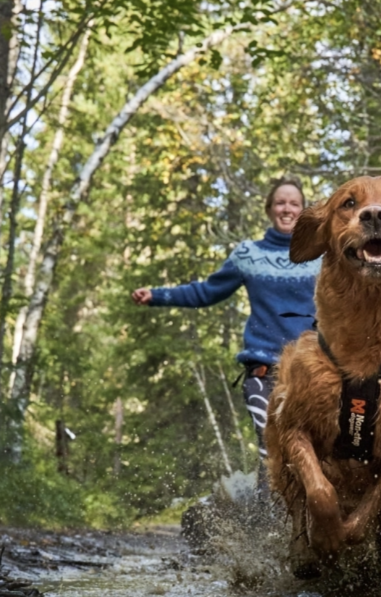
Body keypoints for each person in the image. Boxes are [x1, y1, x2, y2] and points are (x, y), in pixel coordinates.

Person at [131, 177, 320, 481]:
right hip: (264, 370)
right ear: (270, 209)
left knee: (315, 449)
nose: (287, 209)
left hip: (313, 369)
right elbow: (207, 292)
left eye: (294, 203)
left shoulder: (321, 255)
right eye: (281, 203)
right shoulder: (248, 255)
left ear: (304, 210)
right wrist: (157, 295)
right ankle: (266, 526)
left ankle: (313, 519)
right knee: (271, 448)